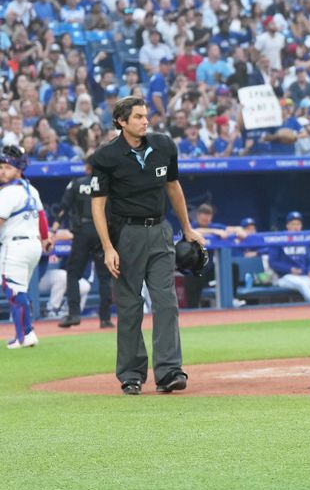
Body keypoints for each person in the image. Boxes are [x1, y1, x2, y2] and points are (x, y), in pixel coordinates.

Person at [90, 96, 206, 395]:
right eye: (139, 117)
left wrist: (187, 228)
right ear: (121, 122)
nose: (145, 121)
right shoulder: (106, 156)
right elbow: (98, 206)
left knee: (166, 302)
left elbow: (173, 187)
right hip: (125, 235)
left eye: (146, 116)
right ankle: (131, 374)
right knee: (130, 307)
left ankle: (169, 372)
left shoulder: (164, 146)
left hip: (160, 231)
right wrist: (108, 247)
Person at [51, 155, 113, 329]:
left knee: (73, 274)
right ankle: (105, 319)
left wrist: (52, 231)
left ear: (87, 168)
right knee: (104, 278)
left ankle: (74, 314)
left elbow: (63, 208)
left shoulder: (76, 184)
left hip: (83, 232)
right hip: (102, 232)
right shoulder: (107, 185)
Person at [1, 145, 51, 349]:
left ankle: (25, 335)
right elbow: (42, 217)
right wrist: (46, 239)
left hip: (16, 245)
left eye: (7, 167)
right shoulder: (31, 188)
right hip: (32, 245)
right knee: (19, 290)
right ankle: (25, 332)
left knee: (12, 289)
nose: (2, 171)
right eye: (1, 167)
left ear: (18, 169)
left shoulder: (8, 192)